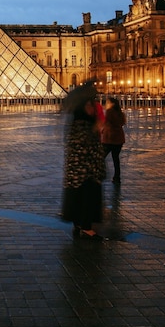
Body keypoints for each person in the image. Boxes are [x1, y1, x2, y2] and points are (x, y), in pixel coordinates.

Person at [61, 87, 106, 240]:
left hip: (78, 170)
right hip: (84, 170)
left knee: (78, 196)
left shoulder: (77, 123)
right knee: (87, 197)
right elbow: (86, 146)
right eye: (89, 105)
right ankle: (86, 227)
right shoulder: (82, 125)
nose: (93, 108)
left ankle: (79, 223)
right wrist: (95, 129)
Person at [100, 97, 126, 184]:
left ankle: (99, 174)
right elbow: (122, 122)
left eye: (108, 103)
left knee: (101, 156)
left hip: (110, 138)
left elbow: (106, 122)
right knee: (116, 159)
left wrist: (102, 130)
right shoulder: (120, 113)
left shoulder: (109, 112)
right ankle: (117, 177)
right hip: (119, 138)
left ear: (112, 104)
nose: (106, 104)